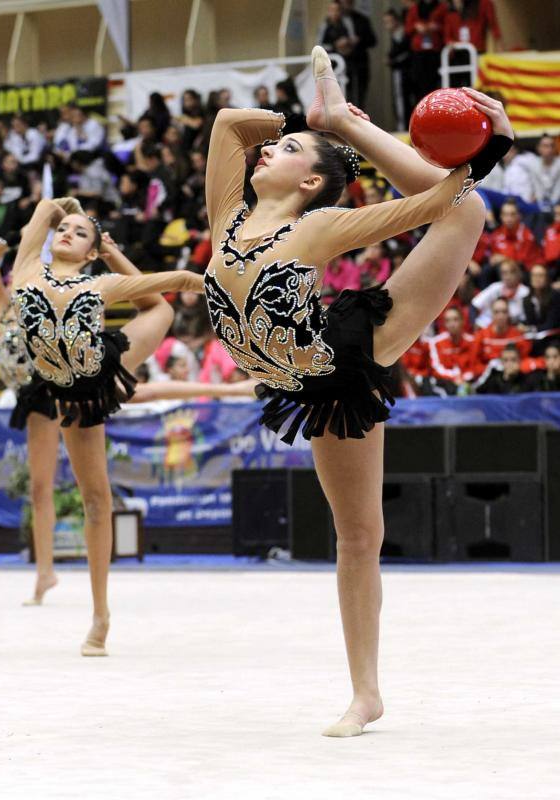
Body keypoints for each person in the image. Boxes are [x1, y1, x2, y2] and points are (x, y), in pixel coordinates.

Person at [203, 45, 512, 736]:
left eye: (283, 151)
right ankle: (367, 693)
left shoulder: (314, 227)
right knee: (357, 536)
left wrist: (486, 149)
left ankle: (363, 693)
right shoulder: (227, 213)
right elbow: (229, 124)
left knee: (468, 212)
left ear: (311, 182)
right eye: (274, 146)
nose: (266, 151)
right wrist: (302, 119)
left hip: (348, 356)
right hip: (300, 381)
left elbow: (441, 199)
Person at [11, 198, 203, 657]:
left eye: (80, 234)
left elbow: (171, 283)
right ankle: (85, 603)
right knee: (91, 496)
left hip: (92, 381)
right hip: (60, 387)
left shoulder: (99, 284)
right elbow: (41, 212)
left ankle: (100, 617)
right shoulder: (25, 271)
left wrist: (203, 280)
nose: (67, 234)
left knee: (160, 311)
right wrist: (66, 211)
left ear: (91, 253)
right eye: (65, 230)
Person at [0, 238, 61, 606]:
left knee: (51, 488)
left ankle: (46, 572)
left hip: (54, 392)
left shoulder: (42, 308)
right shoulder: (1, 307)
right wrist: (11, 241)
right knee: (40, 489)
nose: (15, 283)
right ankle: (45, 573)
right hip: (31, 400)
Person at [472, 296, 530, 375]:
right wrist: (492, 370)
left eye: (504, 312)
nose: (500, 316)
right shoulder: (481, 336)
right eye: (497, 312)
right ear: (491, 314)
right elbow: (475, 364)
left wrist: (514, 368)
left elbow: (525, 360)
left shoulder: (518, 336)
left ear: (508, 314)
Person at [405, 0, 448, 102]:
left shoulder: (442, 7)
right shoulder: (414, 8)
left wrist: (437, 27)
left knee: (434, 83)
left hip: (435, 51)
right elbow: (407, 29)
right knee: (418, 83)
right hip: (418, 52)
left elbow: (448, 26)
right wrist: (416, 27)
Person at [339, 0, 378, 108]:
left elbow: (373, 40)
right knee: (345, 93)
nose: (347, 4)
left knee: (360, 94)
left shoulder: (362, 19)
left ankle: (359, 120)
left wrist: (359, 40)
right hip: (343, 63)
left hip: (360, 62)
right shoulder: (335, 19)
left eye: (349, 2)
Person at [383, 8, 416, 131]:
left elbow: (407, 53)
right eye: (385, 22)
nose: (387, 25)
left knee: (401, 99)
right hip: (403, 70)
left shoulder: (401, 35)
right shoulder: (395, 36)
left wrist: (392, 61)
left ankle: (403, 127)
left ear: (396, 21)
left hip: (403, 71)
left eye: (389, 22)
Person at [471, 258, 529, 328]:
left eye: (511, 272)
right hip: (489, 324)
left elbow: (526, 318)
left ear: (518, 273)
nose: (508, 277)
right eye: (504, 273)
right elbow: (474, 305)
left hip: (513, 326)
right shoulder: (495, 287)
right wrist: (474, 324)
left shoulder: (525, 292)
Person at [428, 306, 476, 389]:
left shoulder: (472, 341)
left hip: (468, 381)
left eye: (455, 319)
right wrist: (454, 377)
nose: (452, 324)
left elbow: (474, 366)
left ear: (462, 321)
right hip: (446, 382)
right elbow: (436, 368)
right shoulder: (436, 343)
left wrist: (463, 378)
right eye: (448, 321)